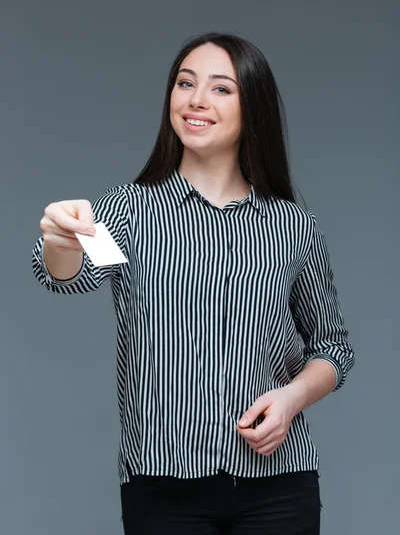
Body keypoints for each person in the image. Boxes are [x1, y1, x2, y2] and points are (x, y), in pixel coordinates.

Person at [32, 31, 355, 534]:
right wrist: (59, 237)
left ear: (255, 107)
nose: (196, 100)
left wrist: (292, 399)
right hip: (162, 486)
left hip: (280, 485)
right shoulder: (127, 209)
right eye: (185, 83)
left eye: (221, 88)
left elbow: (333, 348)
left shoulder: (294, 225)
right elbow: (66, 277)